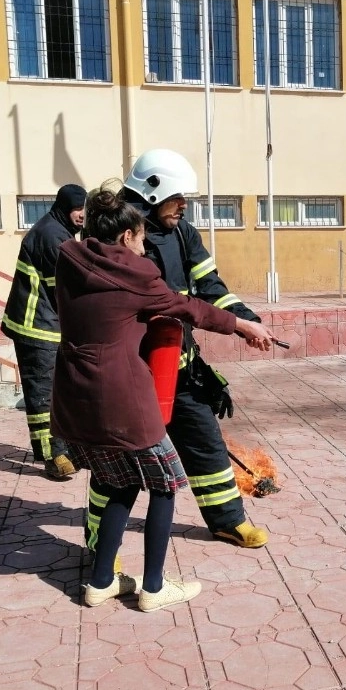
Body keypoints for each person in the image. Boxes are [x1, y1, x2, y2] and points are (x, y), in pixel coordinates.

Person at [50, 189, 275, 610]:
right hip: (122, 399)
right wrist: (245, 327)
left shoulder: (72, 260)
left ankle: (101, 581)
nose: (145, 246)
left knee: (121, 482)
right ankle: (153, 588)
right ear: (126, 237)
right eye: (140, 239)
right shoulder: (136, 276)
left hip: (74, 397)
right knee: (167, 483)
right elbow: (190, 309)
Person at [118, 148, 272, 549]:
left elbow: (209, 285)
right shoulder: (119, 234)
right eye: (178, 197)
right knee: (121, 464)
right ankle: (103, 542)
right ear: (152, 193)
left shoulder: (183, 233)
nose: (185, 206)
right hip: (131, 374)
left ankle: (227, 520)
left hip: (179, 366)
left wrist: (245, 320)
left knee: (205, 440)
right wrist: (235, 325)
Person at [1, 184, 86, 480]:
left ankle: (64, 447)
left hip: (46, 325)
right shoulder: (52, 236)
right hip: (35, 327)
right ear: (65, 207)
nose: (82, 215)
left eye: (85, 208)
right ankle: (53, 456)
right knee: (43, 395)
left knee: (58, 392)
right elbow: (64, 289)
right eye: (78, 209)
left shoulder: (59, 231)